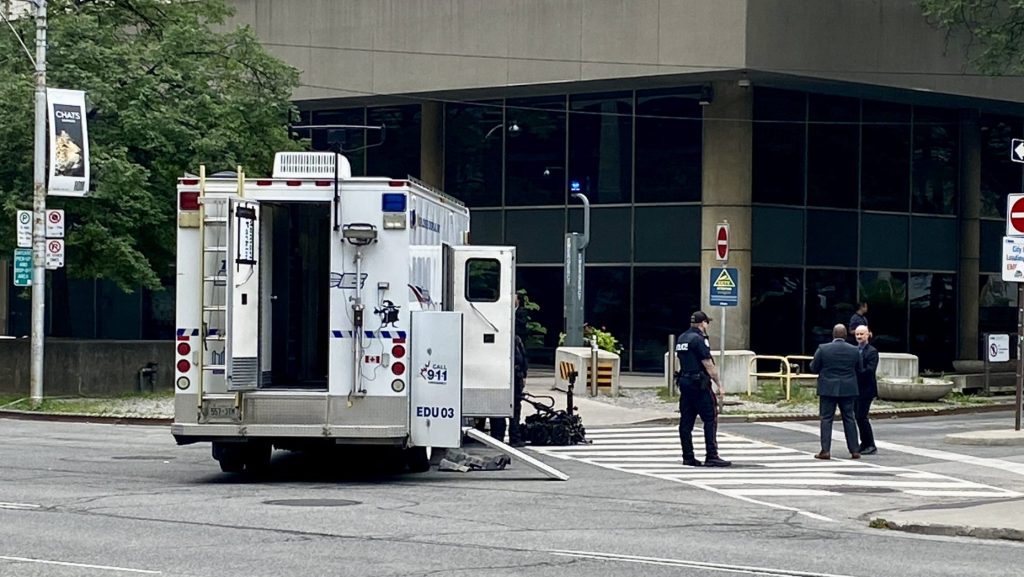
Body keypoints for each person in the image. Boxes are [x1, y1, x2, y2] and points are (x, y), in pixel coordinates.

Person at [675, 311, 731, 467]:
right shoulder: (699, 340)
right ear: (702, 323)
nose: (707, 326)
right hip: (699, 384)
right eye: (707, 323)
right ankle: (712, 455)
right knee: (710, 418)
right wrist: (719, 384)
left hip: (685, 383)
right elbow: (708, 364)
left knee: (686, 422)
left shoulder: (682, 338)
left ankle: (688, 456)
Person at [810, 324, 863, 460]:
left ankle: (825, 450)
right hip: (848, 388)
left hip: (828, 388)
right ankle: (854, 450)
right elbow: (860, 368)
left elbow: (814, 367)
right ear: (846, 336)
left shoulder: (823, 349)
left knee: (826, 419)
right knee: (849, 418)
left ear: (833, 335)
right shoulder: (854, 350)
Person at [854, 325, 879, 455]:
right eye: (857, 334)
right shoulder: (854, 350)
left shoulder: (872, 352)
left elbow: (869, 371)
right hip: (855, 389)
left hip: (866, 390)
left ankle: (870, 444)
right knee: (858, 417)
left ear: (868, 334)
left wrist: (856, 372)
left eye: (861, 334)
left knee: (861, 416)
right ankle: (864, 443)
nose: (859, 336)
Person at [508, 294, 529, 447]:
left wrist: (524, 373)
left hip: (517, 372)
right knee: (511, 405)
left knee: (516, 404)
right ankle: (504, 436)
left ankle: (514, 436)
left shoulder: (520, 315)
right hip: (512, 370)